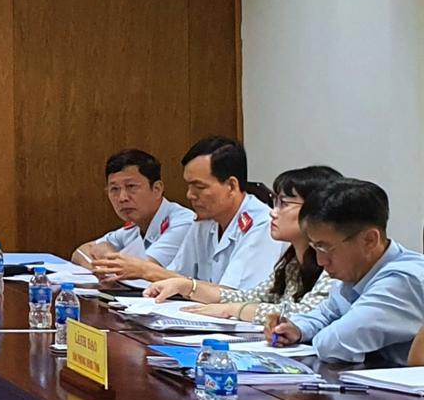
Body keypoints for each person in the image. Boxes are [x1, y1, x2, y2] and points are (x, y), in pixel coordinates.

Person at [143, 166, 341, 323]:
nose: (273, 212)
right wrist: (187, 286)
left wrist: (235, 310)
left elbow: (307, 314)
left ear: (317, 210)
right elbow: (248, 297)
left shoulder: (334, 264)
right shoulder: (292, 263)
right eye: (275, 202)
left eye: (284, 204)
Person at [267, 179, 424, 365]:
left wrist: (317, 334)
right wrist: (297, 329)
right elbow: (325, 314)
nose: (320, 261)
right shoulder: (357, 272)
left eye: (324, 248)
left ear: (369, 240)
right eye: (314, 247)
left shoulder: (403, 281)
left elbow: (334, 345)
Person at [93, 136, 282, 288]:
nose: (189, 195)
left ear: (231, 186)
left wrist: (146, 270)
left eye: (199, 187)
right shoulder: (205, 221)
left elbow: (232, 296)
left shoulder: (262, 225)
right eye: (188, 186)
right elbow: (177, 274)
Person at [73, 148, 195, 272]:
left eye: (131, 186)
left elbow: (141, 271)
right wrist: (100, 266)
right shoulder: (134, 229)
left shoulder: (183, 223)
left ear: (157, 189)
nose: (122, 198)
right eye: (114, 189)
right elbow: (80, 252)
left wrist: (105, 257)